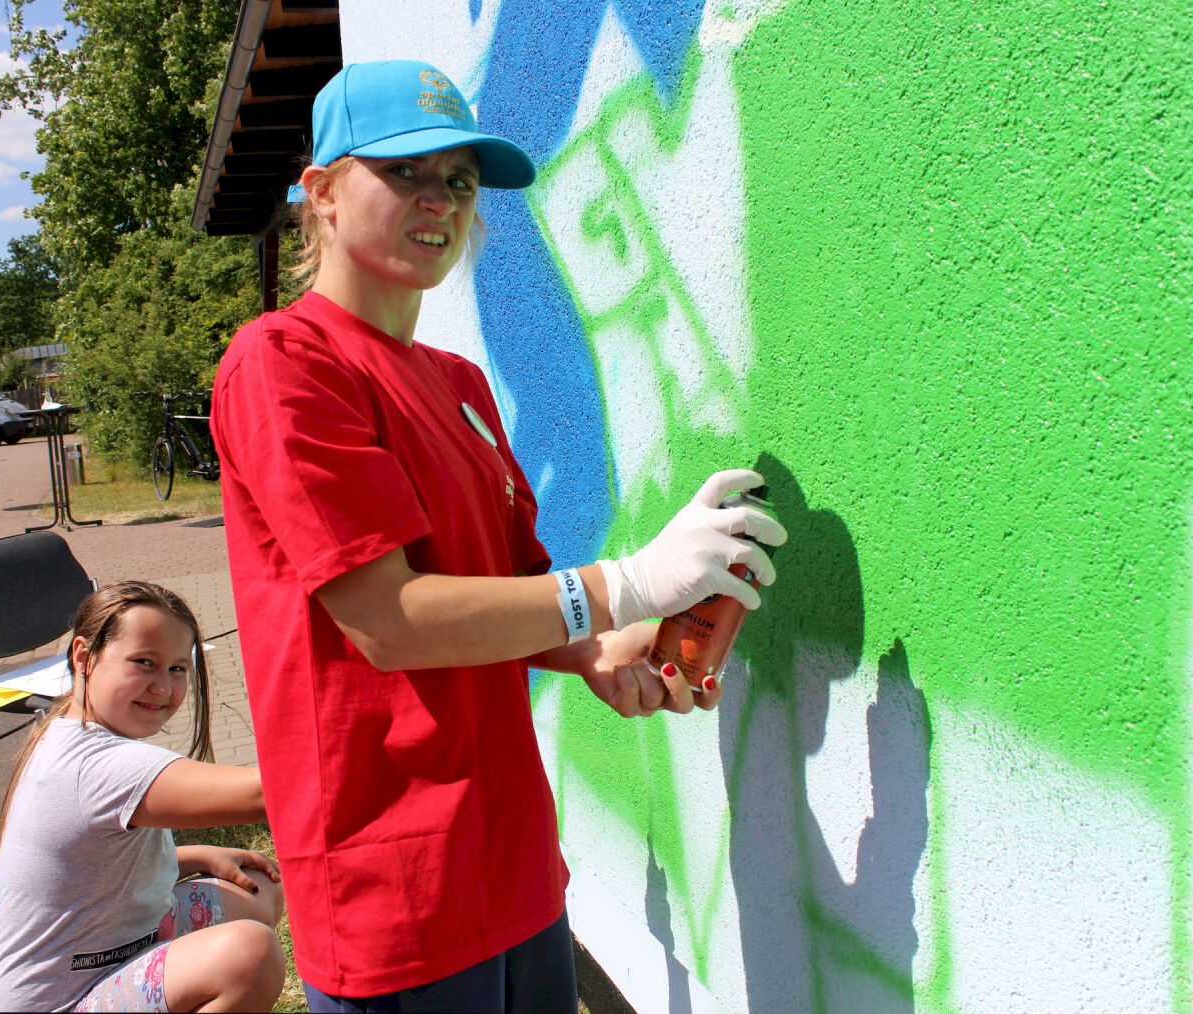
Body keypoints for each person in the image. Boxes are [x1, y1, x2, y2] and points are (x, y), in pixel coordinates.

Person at [211, 59, 787, 1014]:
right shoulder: (283, 362)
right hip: (397, 893)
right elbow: (389, 621)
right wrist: (627, 585)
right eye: (404, 171)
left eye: (460, 180)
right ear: (321, 192)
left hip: (513, 863)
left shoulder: (460, 384)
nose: (439, 199)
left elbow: (516, 593)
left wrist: (605, 647)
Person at [0, 581, 286, 1013]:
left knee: (259, 889)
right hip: (64, 1001)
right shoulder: (97, 766)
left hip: (122, 949)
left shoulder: (70, 734)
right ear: (84, 656)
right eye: (144, 663)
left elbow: (84, 870)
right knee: (247, 955)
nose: (163, 687)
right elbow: (266, 793)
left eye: (178, 669)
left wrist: (192, 856)